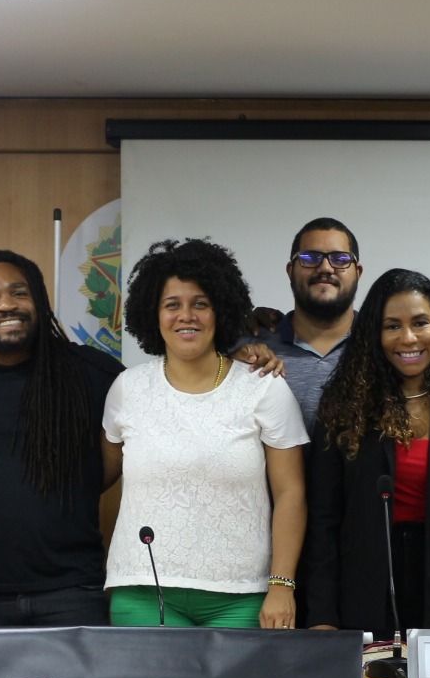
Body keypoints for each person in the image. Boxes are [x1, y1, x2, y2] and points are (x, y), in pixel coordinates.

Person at [102, 238, 308, 629]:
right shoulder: (128, 388)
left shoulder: (262, 386)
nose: (187, 316)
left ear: (221, 310)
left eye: (200, 303)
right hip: (144, 592)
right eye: (172, 304)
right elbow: (97, 479)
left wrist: (282, 586)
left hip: (241, 597)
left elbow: (291, 493)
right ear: (153, 313)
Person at [307, 269, 430, 632]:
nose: (408, 338)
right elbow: (323, 521)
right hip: (361, 591)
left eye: (420, 323)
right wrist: (321, 616)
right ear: (373, 334)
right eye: (392, 326)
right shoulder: (344, 410)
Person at [0, 249, 123, 627]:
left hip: (74, 593)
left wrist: (237, 351)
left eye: (19, 292)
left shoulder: (93, 372)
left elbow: (168, 390)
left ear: (39, 301)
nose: (6, 304)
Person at [255, 217, 364, 432]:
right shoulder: (252, 347)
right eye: (309, 258)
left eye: (340, 259)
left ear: (357, 272)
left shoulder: (383, 345)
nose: (325, 268)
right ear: (290, 270)